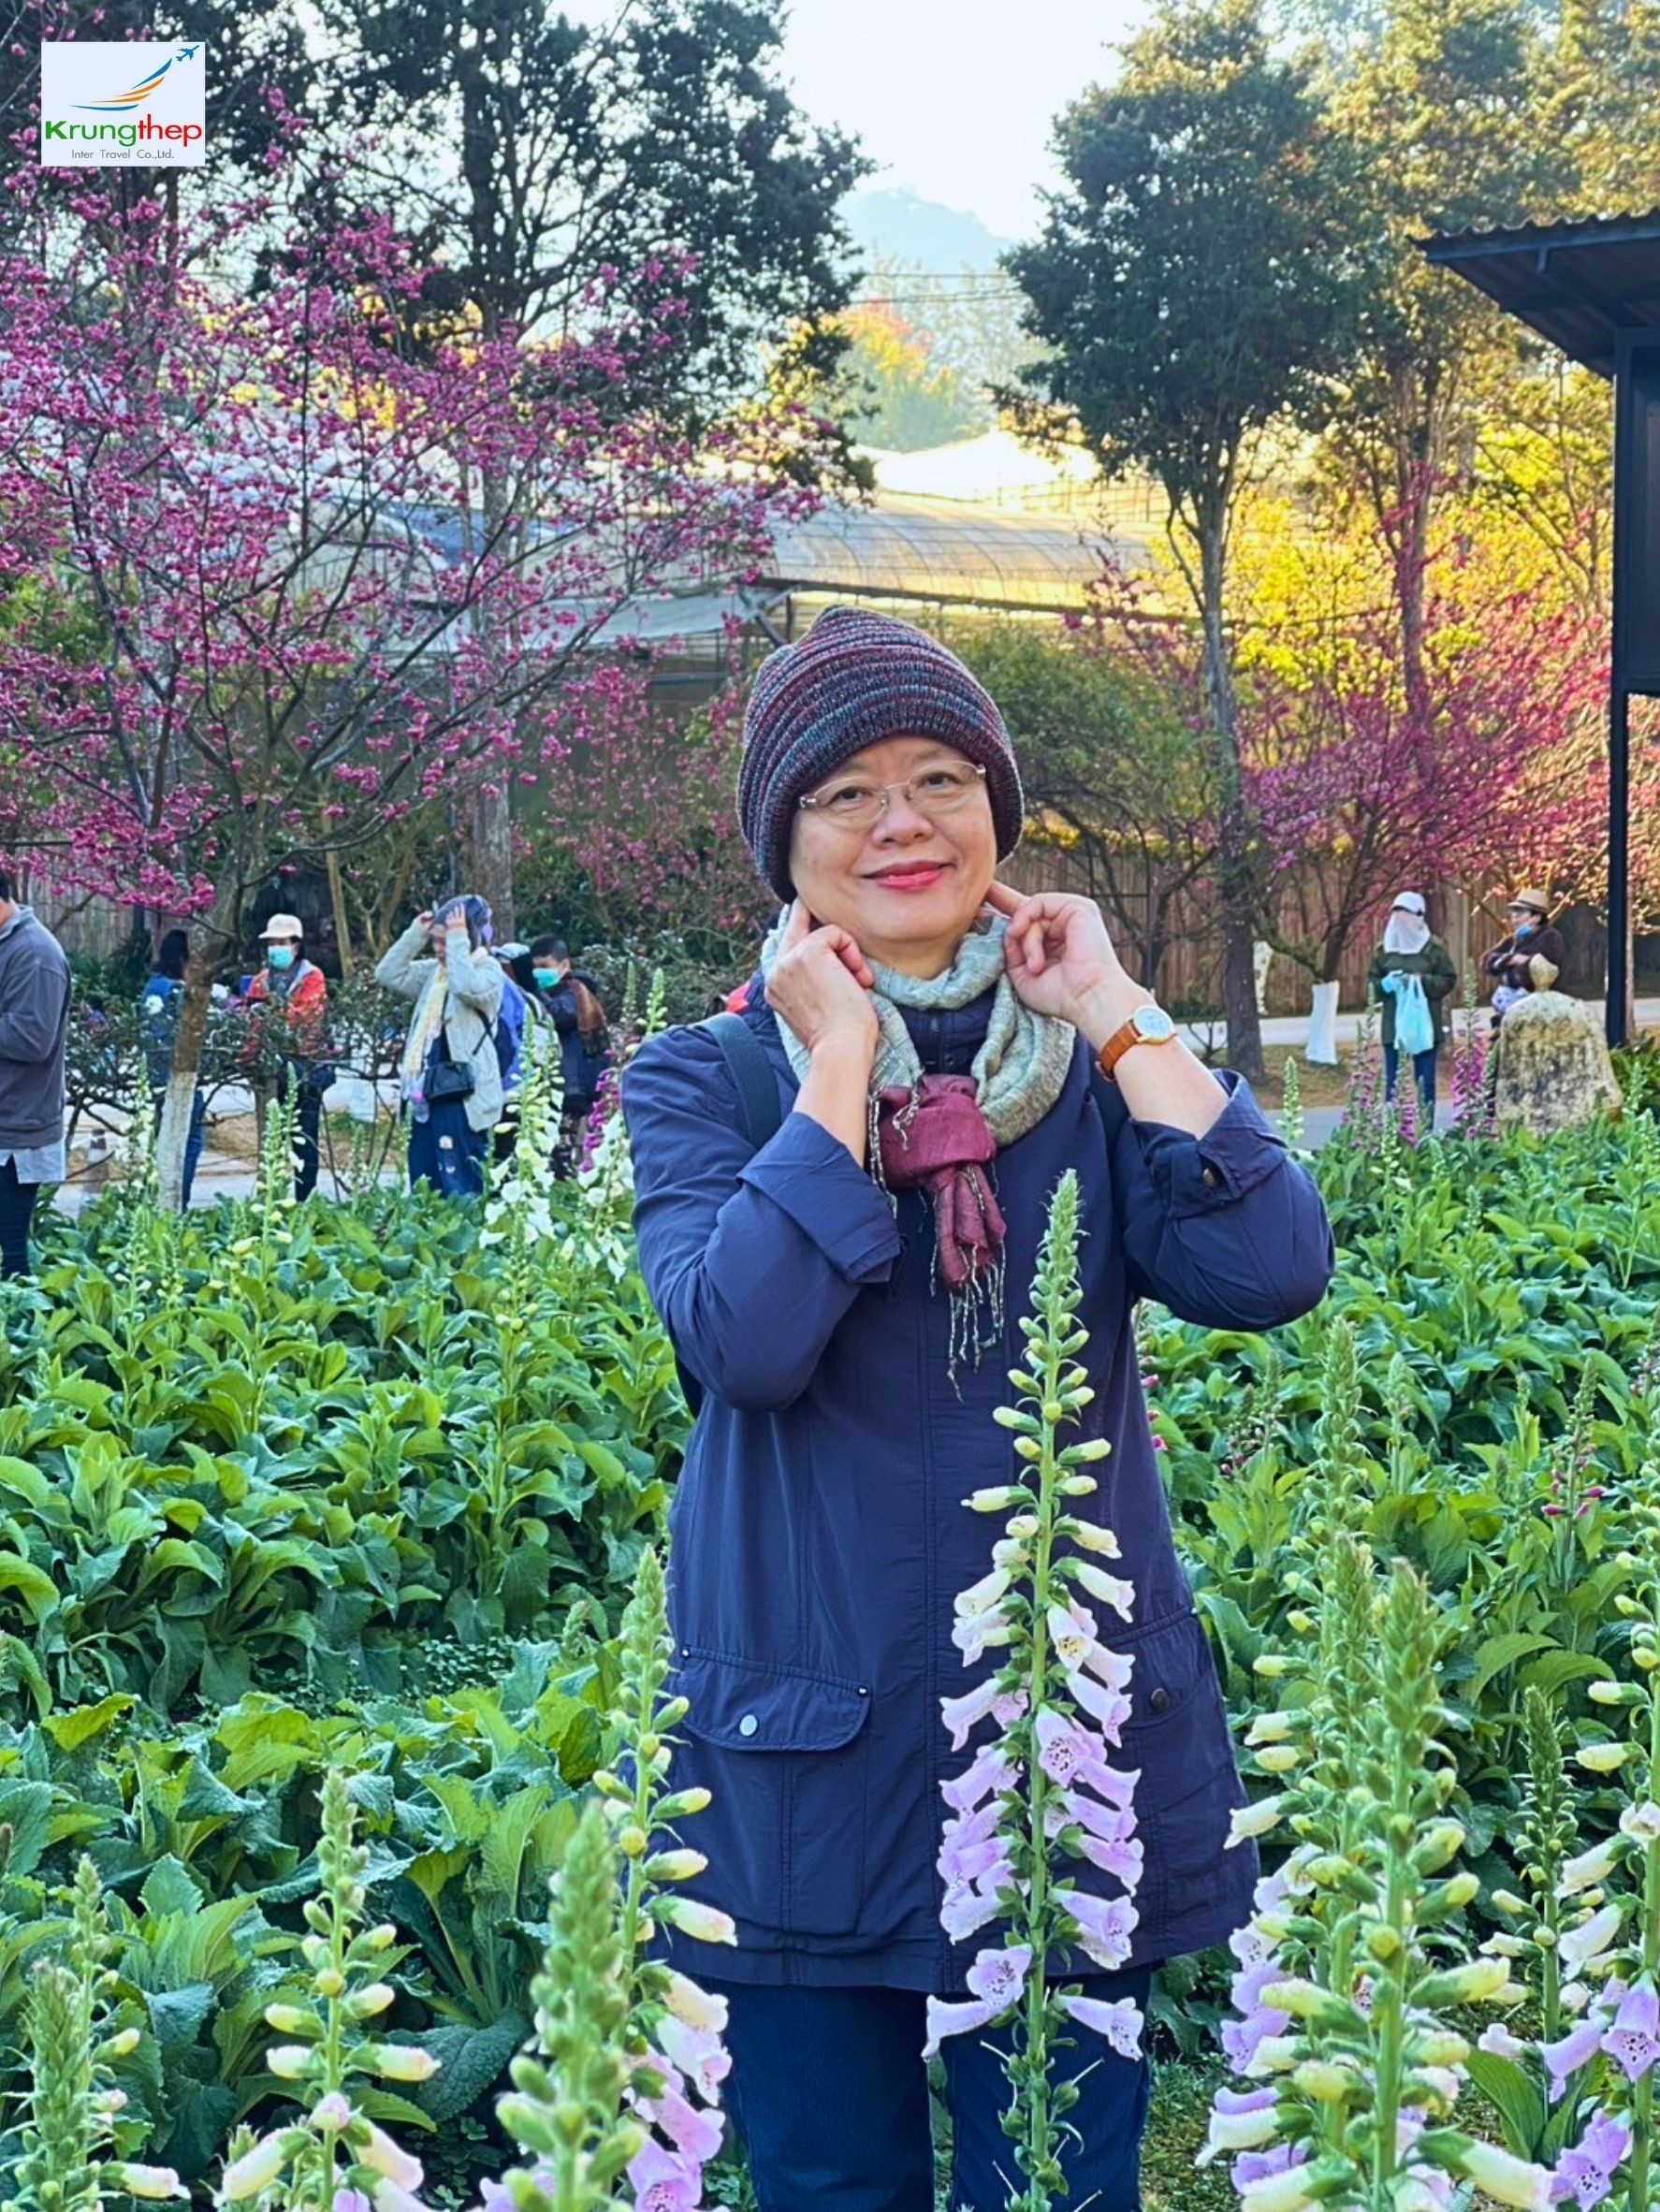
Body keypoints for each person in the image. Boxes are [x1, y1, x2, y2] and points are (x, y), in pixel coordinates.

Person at [620, 606, 1335, 2212]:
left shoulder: (1089, 1070)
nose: (899, 821)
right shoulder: (702, 1079)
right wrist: (837, 1068)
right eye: (844, 791)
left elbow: (1273, 1260)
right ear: (780, 844)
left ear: (997, 818)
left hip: (1059, 1730)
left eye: (940, 776)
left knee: (1064, 2180)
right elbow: (741, 1337)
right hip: (800, 1741)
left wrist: (1111, 1003)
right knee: (825, 2177)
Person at [376, 895, 505, 1198]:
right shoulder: (435, 975)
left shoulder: (489, 971)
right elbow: (388, 974)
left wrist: (458, 940)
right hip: (425, 1093)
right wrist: (415, 935)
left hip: (462, 1097)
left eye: (443, 942)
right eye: (435, 942)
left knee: (461, 1183)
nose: (438, 950)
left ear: (471, 936)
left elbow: (466, 987)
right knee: (425, 1181)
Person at [0, 870, 71, 1280]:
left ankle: (23, 1340)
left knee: (8, 1254)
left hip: (15, 1132)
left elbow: (31, 1038)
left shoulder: (35, 954)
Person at [240, 914, 331, 1201]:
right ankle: (273, 1197)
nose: (275, 948)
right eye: (271, 943)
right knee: (272, 1139)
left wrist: (271, 1018)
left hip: (305, 1066)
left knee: (304, 1138)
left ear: (295, 945)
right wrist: (246, 1057)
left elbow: (305, 1016)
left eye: (281, 942)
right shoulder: (260, 982)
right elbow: (250, 1023)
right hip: (269, 1069)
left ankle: (305, 1198)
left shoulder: (312, 977)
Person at [1367, 891, 1457, 1113]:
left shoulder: (1433, 948)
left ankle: (1424, 1132)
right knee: (1393, 1084)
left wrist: (1421, 983)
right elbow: (1371, 986)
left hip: (1425, 1025)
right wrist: (1386, 985)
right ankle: (1393, 1133)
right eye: (1396, 913)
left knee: (1425, 1082)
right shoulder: (1384, 950)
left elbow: (1448, 979)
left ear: (1419, 915)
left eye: (1406, 913)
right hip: (1394, 1026)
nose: (1401, 919)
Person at [139, 929, 207, 1205]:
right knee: (188, 1143)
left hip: (155, 1077)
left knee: (164, 1144)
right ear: (183, 959)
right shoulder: (178, 992)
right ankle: (178, 1204)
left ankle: (162, 1202)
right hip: (178, 1080)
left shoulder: (152, 986)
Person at [529, 936, 609, 1164]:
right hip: (555, 1084)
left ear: (565, 965)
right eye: (533, 969)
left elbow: (557, 1015)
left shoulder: (578, 992)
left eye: (545, 967)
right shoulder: (554, 992)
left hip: (574, 1087)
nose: (538, 973)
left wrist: (531, 988)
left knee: (564, 1149)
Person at [1483, 890, 1566, 1021]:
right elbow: (1488, 962)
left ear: (1537, 917)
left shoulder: (1550, 938)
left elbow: (1546, 969)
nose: (1514, 917)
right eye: (1513, 912)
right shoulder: (1514, 939)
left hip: (1541, 1009)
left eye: (1520, 912)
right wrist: (1511, 959)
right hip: (1512, 1007)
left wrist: (1525, 961)